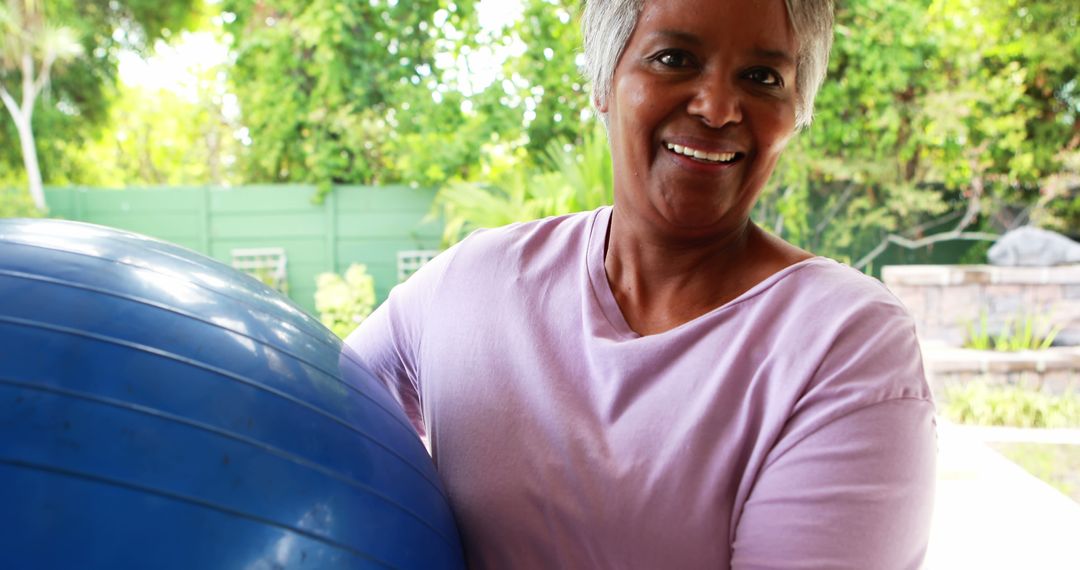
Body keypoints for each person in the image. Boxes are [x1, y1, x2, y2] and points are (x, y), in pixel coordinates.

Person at [346, 0, 936, 567]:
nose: (718, 107)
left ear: (796, 111)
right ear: (604, 81)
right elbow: (297, 420)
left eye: (762, 76)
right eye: (674, 58)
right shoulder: (470, 284)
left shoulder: (845, 346)